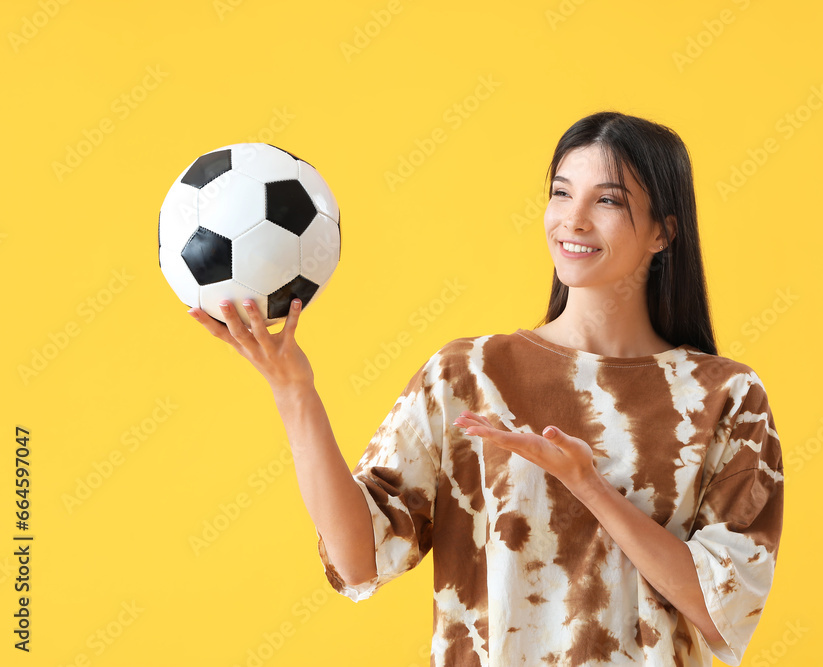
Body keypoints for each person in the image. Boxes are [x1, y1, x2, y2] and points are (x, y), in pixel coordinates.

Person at [187, 110, 784, 666]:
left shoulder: (724, 397)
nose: (573, 219)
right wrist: (294, 393)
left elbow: (721, 610)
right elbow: (359, 559)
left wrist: (588, 485)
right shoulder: (467, 374)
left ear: (663, 232)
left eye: (608, 200)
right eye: (561, 193)